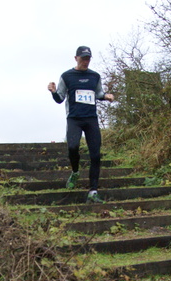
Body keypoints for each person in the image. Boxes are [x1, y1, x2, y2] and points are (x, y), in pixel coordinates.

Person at [47, 46, 114, 203]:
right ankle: (75, 171)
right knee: (72, 147)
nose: (86, 61)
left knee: (96, 155)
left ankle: (93, 191)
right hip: (74, 119)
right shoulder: (67, 76)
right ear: (76, 58)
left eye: (88, 59)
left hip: (91, 119)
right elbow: (60, 98)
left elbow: (98, 94)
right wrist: (53, 91)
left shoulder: (95, 76)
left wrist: (107, 96)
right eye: (83, 58)